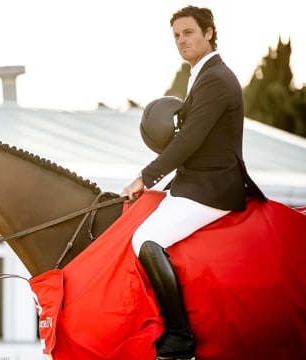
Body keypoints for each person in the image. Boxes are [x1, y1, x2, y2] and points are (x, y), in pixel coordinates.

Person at [120, 5, 266, 359]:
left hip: (212, 187)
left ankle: (179, 334)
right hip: (194, 182)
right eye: (176, 36)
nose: (181, 41)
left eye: (188, 33)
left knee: (146, 238)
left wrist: (145, 177)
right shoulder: (201, 74)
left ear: (209, 32)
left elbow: (189, 140)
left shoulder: (216, 78)